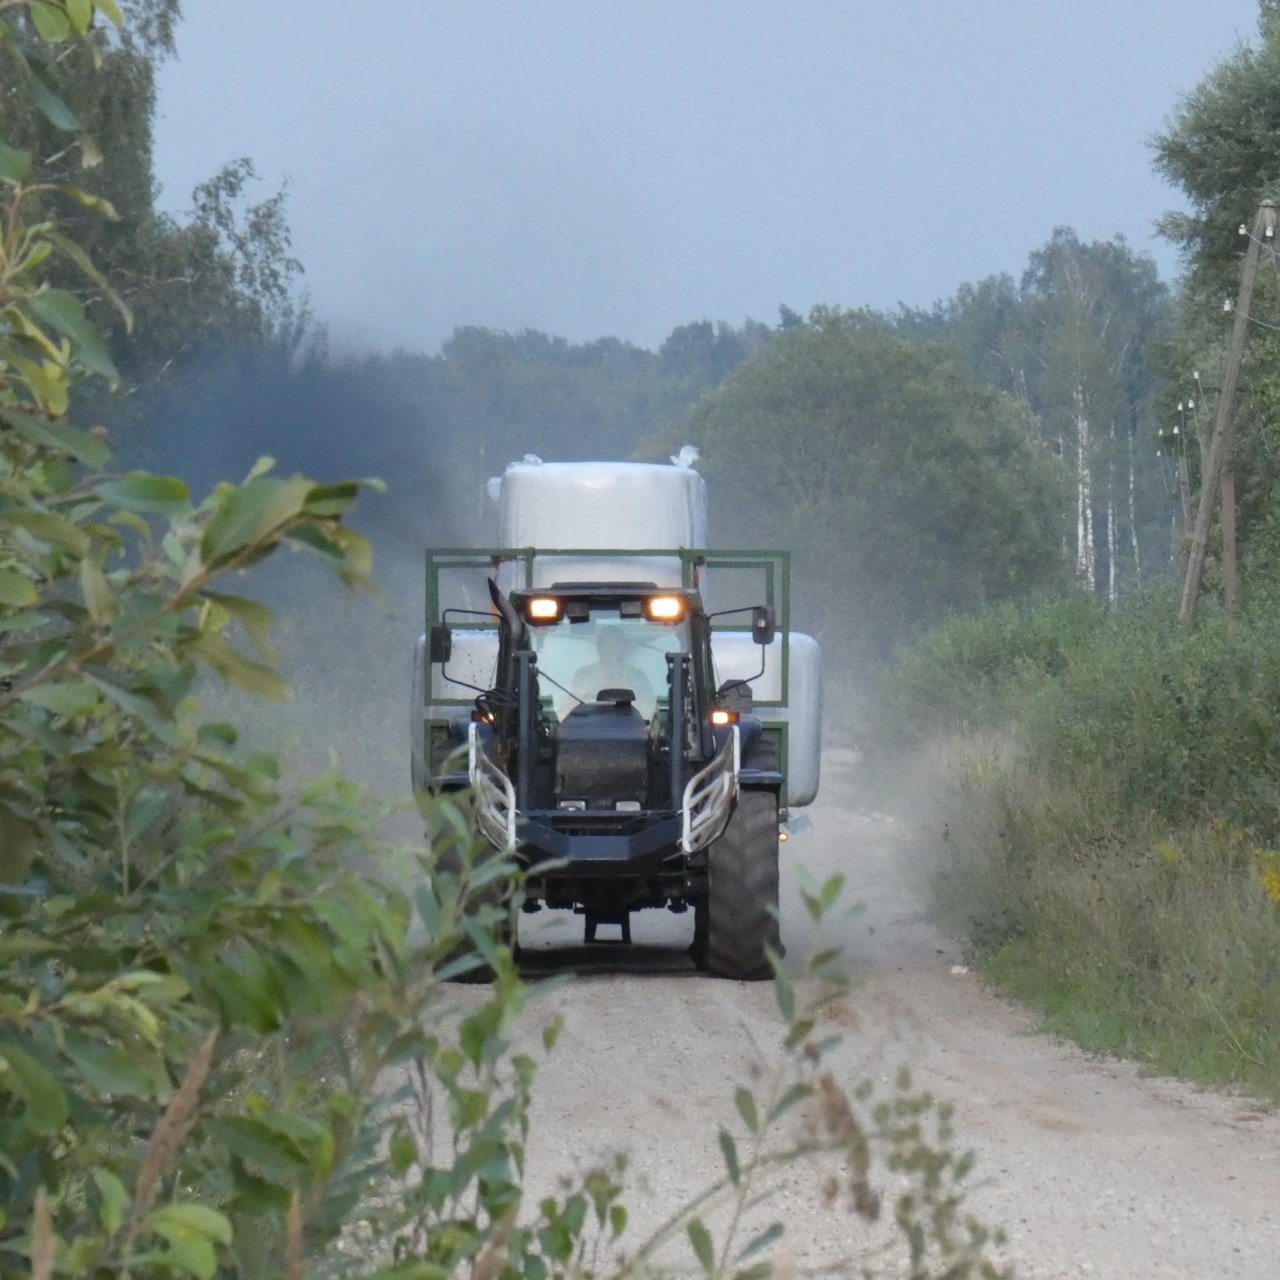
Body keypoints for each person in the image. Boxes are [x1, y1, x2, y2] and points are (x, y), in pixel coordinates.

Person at [573, 626, 656, 716]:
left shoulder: (639, 677)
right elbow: (572, 709)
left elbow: (649, 710)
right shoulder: (584, 676)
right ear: (598, 647)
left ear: (623, 647)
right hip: (591, 728)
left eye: (616, 643)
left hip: (631, 727)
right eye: (607, 643)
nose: (611, 647)